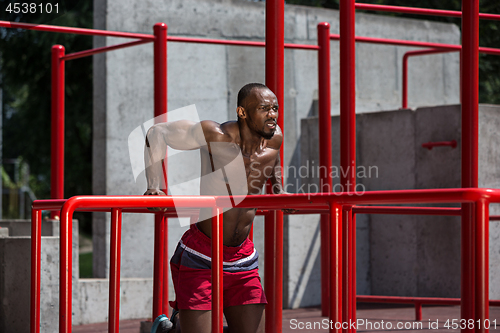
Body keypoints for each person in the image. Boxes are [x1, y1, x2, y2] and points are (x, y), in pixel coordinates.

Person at [144, 83, 287, 333]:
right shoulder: (215, 134)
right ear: (242, 112)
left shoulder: (274, 137)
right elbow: (157, 133)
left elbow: (273, 164)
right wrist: (155, 187)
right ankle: (169, 329)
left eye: (275, 108)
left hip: (242, 256)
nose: (272, 114)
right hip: (202, 254)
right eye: (264, 109)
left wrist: (280, 191)